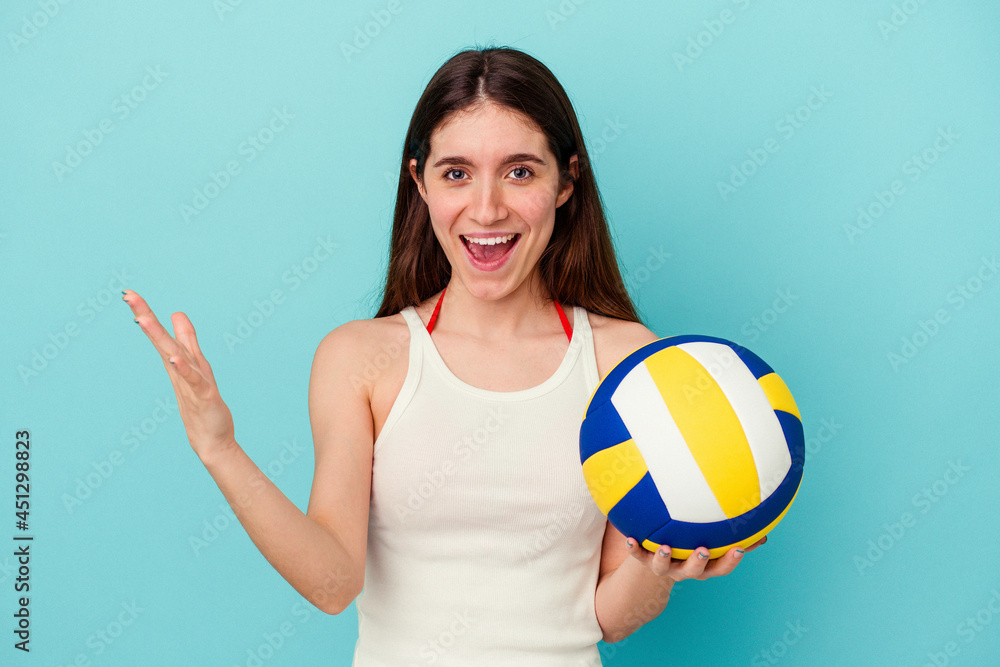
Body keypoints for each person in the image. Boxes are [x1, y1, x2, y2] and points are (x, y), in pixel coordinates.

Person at [123, 45, 764, 665]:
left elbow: (607, 618)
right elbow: (331, 584)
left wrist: (660, 562)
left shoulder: (627, 361)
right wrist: (219, 448)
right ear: (420, 183)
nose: (486, 208)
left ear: (567, 181)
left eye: (520, 171)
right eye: (456, 172)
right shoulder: (361, 359)